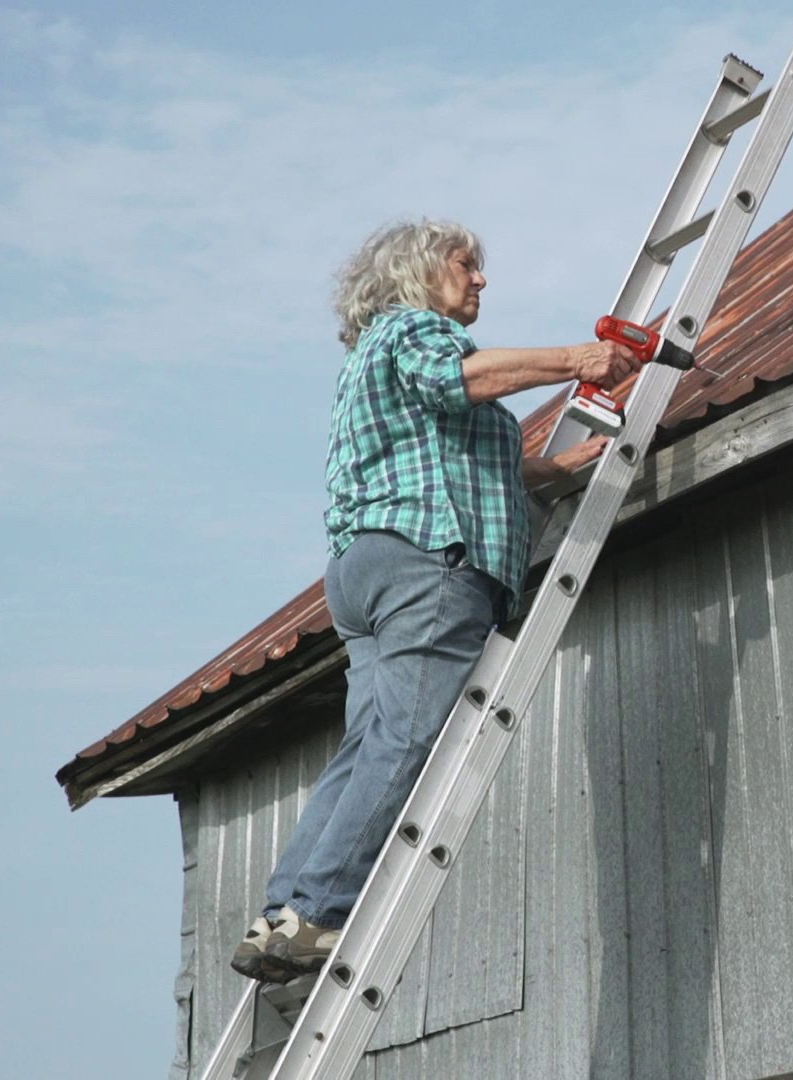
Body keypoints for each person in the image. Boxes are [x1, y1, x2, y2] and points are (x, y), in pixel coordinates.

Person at [232, 218, 640, 982]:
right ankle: (320, 910)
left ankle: (281, 914)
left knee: (368, 747)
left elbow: (453, 452)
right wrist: (575, 360)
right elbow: (464, 380)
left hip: (367, 570)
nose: (481, 279)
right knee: (408, 740)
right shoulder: (414, 332)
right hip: (430, 562)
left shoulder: (369, 361)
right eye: (466, 265)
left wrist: (552, 472)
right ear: (420, 272)